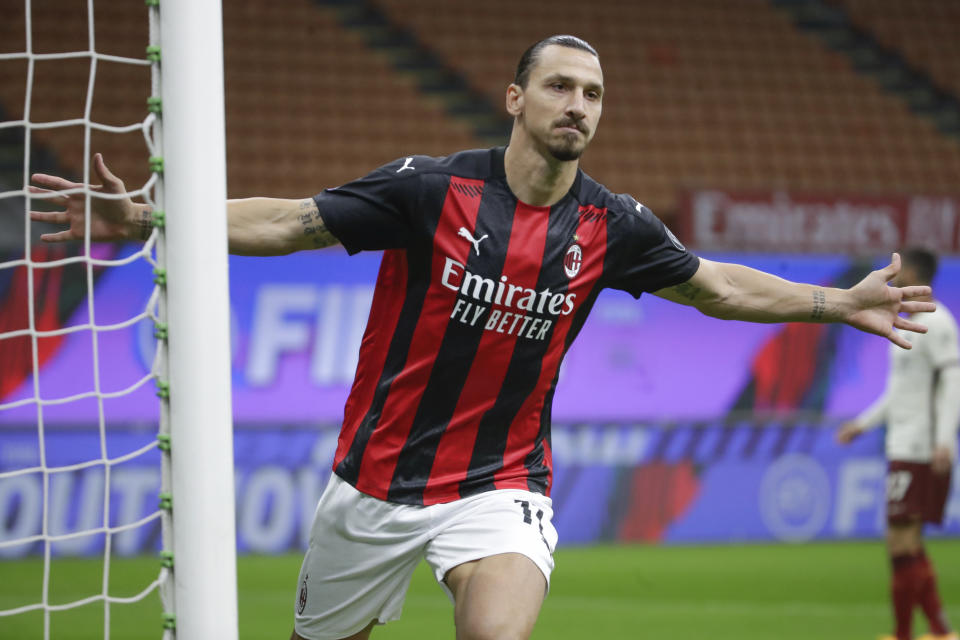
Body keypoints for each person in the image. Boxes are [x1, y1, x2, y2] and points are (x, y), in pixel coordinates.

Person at [29, 35, 936, 640]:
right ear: (515, 97)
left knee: (496, 631)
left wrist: (835, 303)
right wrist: (152, 211)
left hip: (501, 484)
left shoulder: (612, 225)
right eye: (559, 87)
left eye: (593, 94)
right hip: (374, 483)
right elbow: (290, 223)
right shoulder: (431, 191)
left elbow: (716, 286)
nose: (578, 105)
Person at [837, 247, 959, 640]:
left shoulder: (939, 324)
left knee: (899, 541)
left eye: (900, 275)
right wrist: (862, 423)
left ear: (917, 275)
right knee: (906, 542)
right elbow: (897, 393)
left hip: (920, 447)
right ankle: (938, 630)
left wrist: (943, 441)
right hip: (903, 444)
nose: (895, 281)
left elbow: (953, 387)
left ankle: (906, 633)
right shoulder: (905, 322)